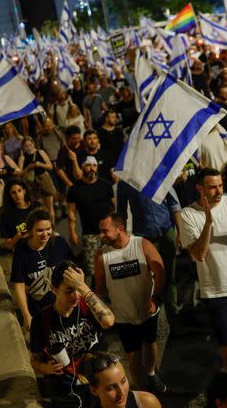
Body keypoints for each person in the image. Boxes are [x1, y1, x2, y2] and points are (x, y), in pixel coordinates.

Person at [181, 168, 227, 373]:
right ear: (200, 188)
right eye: (212, 187)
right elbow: (199, 254)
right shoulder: (188, 214)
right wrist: (208, 222)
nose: (218, 191)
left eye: (220, 186)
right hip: (216, 292)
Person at [29, 261, 115, 408]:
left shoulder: (89, 306)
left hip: (98, 384)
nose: (76, 296)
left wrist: (83, 287)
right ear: (54, 290)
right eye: (69, 291)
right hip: (64, 393)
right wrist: (45, 368)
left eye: (78, 290)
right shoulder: (41, 320)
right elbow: (34, 361)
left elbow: (109, 321)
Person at [94, 213, 168, 395]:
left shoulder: (141, 244)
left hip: (147, 309)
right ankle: (143, 394)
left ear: (120, 229)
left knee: (150, 343)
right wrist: (105, 308)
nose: (101, 236)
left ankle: (151, 374)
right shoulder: (102, 256)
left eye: (105, 231)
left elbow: (160, 271)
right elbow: (100, 289)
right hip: (123, 315)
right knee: (133, 354)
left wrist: (156, 298)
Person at [116, 180, 182, 320]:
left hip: (166, 232)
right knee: (147, 281)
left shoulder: (159, 171)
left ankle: (173, 317)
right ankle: (153, 318)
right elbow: (121, 211)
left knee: (170, 276)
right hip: (144, 237)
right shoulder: (125, 181)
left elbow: (173, 203)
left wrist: (180, 232)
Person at [10, 209, 75, 330]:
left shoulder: (59, 243)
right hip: (39, 310)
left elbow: (74, 270)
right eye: (40, 230)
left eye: (48, 229)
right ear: (30, 231)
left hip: (66, 305)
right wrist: (26, 315)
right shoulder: (21, 250)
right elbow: (18, 284)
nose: (45, 234)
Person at [67, 156, 115, 286]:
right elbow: (71, 212)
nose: (91, 168)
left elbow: (114, 207)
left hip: (109, 233)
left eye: (94, 165)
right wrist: (72, 231)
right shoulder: (74, 189)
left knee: (111, 265)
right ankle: (92, 297)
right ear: (82, 168)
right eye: (88, 165)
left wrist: (116, 228)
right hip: (89, 235)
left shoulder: (106, 185)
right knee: (91, 270)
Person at [80, 352, 164, 408]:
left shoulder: (148, 402)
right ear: (94, 390)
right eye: (111, 388)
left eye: (123, 381)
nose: (121, 392)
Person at [18, 136, 56, 219]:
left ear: (33, 144)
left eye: (30, 145)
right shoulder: (22, 157)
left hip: (44, 178)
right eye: (26, 146)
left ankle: (52, 228)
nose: (29, 148)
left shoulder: (40, 152)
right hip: (31, 182)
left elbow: (50, 166)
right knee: (40, 208)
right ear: (23, 147)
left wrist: (40, 164)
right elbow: (19, 174)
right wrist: (28, 168)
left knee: (50, 207)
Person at [0, 178, 40, 250]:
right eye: (13, 193)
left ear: (24, 191)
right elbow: (8, 246)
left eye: (19, 190)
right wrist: (17, 236)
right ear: (9, 195)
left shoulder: (37, 207)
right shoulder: (5, 216)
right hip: (24, 252)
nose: (17, 195)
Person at [56, 125, 86, 190]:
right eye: (74, 139)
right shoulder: (63, 151)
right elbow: (59, 169)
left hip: (87, 178)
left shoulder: (84, 144)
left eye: (79, 137)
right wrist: (69, 184)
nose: (77, 140)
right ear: (68, 138)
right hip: (74, 182)